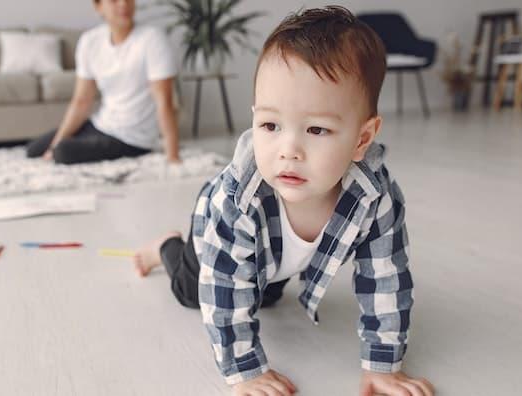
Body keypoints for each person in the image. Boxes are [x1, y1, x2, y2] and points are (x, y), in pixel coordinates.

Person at [133, 6, 435, 396]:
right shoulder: (238, 200)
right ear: (254, 118)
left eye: (316, 129)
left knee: (267, 294)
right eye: (270, 125)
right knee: (192, 294)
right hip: (214, 240)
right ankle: (166, 247)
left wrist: (384, 366)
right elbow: (224, 291)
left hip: (274, 260)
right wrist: (245, 372)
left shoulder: (374, 197)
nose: (288, 149)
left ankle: (264, 278)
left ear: (362, 139)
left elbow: (386, 280)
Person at [27, 0, 180, 165]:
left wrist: (172, 155)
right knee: (35, 149)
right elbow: (81, 102)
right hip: (101, 125)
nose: (123, 4)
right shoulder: (90, 41)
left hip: (132, 138)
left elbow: (164, 102)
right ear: (98, 7)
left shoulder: (152, 39)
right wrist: (56, 142)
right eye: (114, 0)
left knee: (62, 152)